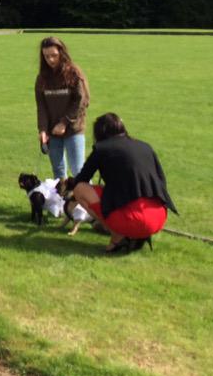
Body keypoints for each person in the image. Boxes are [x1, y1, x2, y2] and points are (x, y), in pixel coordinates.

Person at [72, 113, 178, 254]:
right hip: (159, 217)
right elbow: (161, 181)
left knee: (80, 190)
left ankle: (117, 237)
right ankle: (136, 235)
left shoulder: (101, 148)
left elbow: (81, 180)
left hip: (132, 219)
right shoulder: (145, 146)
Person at [35, 36, 90, 179]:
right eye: (47, 56)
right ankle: (61, 202)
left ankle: (88, 201)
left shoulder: (74, 73)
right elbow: (41, 107)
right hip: (53, 132)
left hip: (73, 129)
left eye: (54, 55)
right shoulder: (42, 78)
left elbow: (82, 100)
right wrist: (42, 130)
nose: (51, 60)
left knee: (78, 171)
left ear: (62, 53)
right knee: (58, 172)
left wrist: (64, 122)